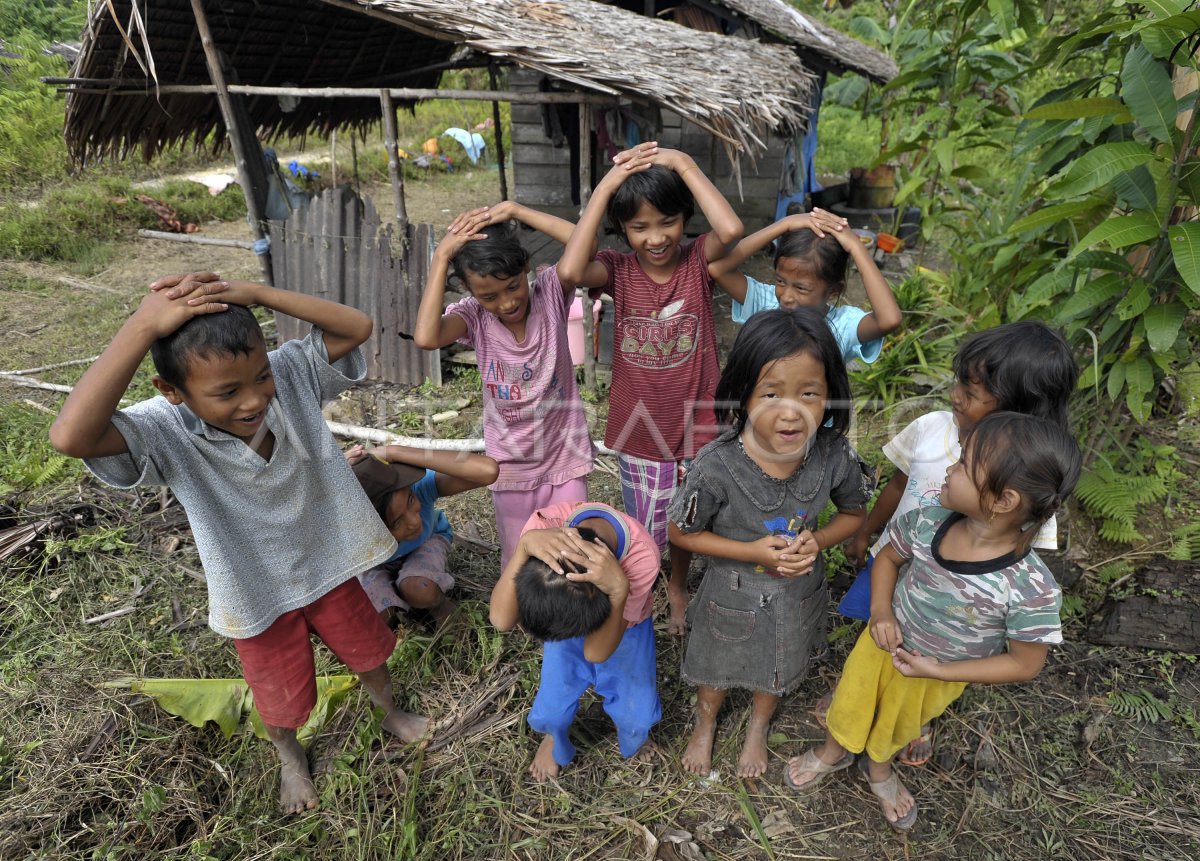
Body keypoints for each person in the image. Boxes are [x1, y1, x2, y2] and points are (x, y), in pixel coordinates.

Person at [49, 273, 428, 815]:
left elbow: (357, 326)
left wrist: (260, 295)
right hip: (254, 591)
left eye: (260, 376)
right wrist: (141, 326)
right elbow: (70, 436)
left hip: (329, 559)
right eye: (227, 392)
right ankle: (290, 758)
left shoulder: (292, 377)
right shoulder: (164, 430)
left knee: (368, 653)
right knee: (279, 697)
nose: (253, 399)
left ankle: (388, 711)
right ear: (172, 391)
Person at [785, 412, 1081, 833]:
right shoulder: (926, 523)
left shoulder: (1031, 588)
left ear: (1003, 500)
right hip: (880, 646)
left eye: (963, 466)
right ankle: (834, 749)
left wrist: (940, 671)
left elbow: (1025, 663)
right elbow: (888, 558)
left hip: (936, 675)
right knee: (850, 699)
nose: (949, 469)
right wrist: (882, 610)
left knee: (899, 723)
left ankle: (881, 769)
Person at [833, 321, 1078, 765]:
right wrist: (867, 531)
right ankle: (860, 701)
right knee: (872, 638)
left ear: (1016, 407)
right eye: (958, 382)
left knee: (925, 684)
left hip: (953, 624)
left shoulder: (1029, 495)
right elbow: (897, 484)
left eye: (971, 389)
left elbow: (1010, 569)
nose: (955, 396)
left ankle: (913, 720)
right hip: (897, 563)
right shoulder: (933, 430)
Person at [666, 308, 871, 778]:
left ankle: (759, 725)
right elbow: (681, 532)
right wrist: (752, 551)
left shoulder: (833, 455)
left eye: (809, 394)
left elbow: (853, 514)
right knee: (716, 670)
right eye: (771, 393)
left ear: (831, 398)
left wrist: (817, 541)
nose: (791, 411)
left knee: (777, 665)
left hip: (796, 594)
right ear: (743, 396)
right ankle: (707, 722)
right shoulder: (717, 465)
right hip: (730, 594)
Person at [558, 141, 744, 639]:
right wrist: (607, 186)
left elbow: (731, 230)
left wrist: (682, 162)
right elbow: (571, 271)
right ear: (623, 230)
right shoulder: (617, 270)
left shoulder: (698, 261)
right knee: (648, 524)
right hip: (642, 431)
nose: (657, 237)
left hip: (701, 423)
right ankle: (647, 582)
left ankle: (678, 587)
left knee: (693, 514)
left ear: (685, 218)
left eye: (668, 222)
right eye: (640, 227)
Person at [414, 200, 595, 569]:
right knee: (520, 555)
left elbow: (585, 246)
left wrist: (518, 211)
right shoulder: (474, 317)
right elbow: (427, 337)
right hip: (511, 465)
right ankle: (526, 622)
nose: (507, 302)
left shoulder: (550, 292)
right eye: (489, 296)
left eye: (513, 286)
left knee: (573, 549)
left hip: (565, 455)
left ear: (525, 268)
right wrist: (441, 257)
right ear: (469, 290)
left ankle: (567, 620)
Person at [489, 501, 662, 781]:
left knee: (638, 714)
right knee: (552, 711)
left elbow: (596, 653)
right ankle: (554, 738)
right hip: (572, 609)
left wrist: (619, 590)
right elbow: (500, 619)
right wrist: (524, 546)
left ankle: (634, 737)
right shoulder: (543, 528)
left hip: (627, 625)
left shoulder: (641, 556)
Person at [707, 209, 902, 365]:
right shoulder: (766, 302)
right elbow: (718, 269)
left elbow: (889, 319)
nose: (786, 297)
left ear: (833, 291)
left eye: (801, 288)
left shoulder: (842, 326)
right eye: (780, 281)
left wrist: (856, 247)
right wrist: (784, 224)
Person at [348, 443, 498, 627]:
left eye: (410, 500)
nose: (414, 521)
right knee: (376, 617)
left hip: (426, 542)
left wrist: (395, 452)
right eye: (396, 522)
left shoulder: (417, 488)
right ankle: (395, 618)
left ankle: (441, 607)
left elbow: (487, 470)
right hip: (376, 563)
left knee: (419, 589)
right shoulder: (351, 534)